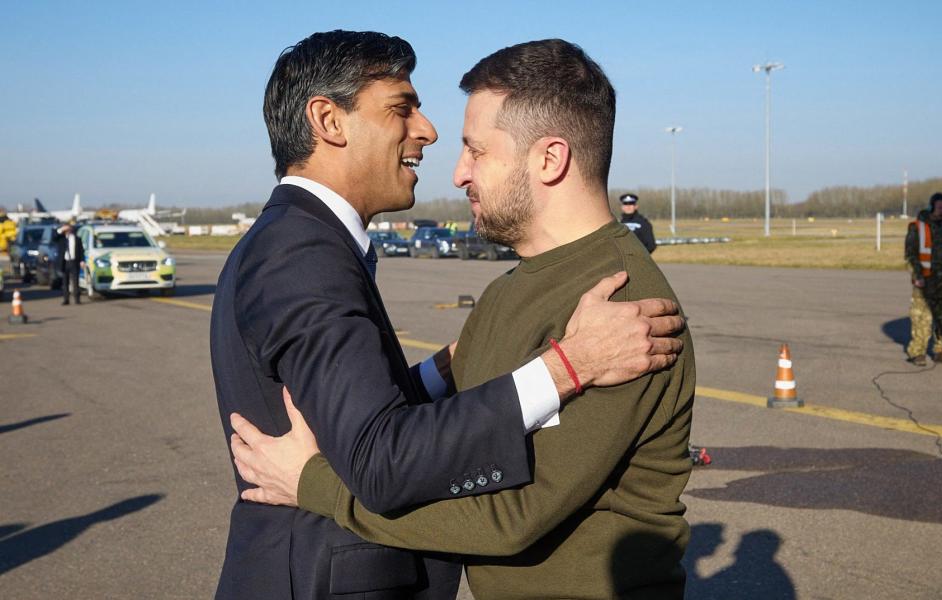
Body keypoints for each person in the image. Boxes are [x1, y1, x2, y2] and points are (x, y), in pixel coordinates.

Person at [211, 31, 685, 600]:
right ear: (329, 121)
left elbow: (509, 512)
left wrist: (442, 372)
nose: (444, 154)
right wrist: (564, 367)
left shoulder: (621, 307)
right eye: (401, 107)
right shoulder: (302, 253)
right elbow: (381, 450)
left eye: (477, 150)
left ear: (551, 158)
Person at [905, 192, 942, 365]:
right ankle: (917, 353)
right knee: (922, 318)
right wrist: (918, 276)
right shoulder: (917, 226)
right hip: (926, 282)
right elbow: (911, 254)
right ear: (931, 206)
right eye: (939, 207)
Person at [56, 222, 84, 305]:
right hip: (65, 262)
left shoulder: (77, 239)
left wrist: (82, 261)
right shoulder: (61, 238)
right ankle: (66, 299)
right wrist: (61, 229)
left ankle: (77, 299)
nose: (68, 231)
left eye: (69, 229)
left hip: (74, 261)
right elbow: (54, 237)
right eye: (66, 229)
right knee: (65, 282)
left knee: (75, 281)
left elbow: (81, 250)